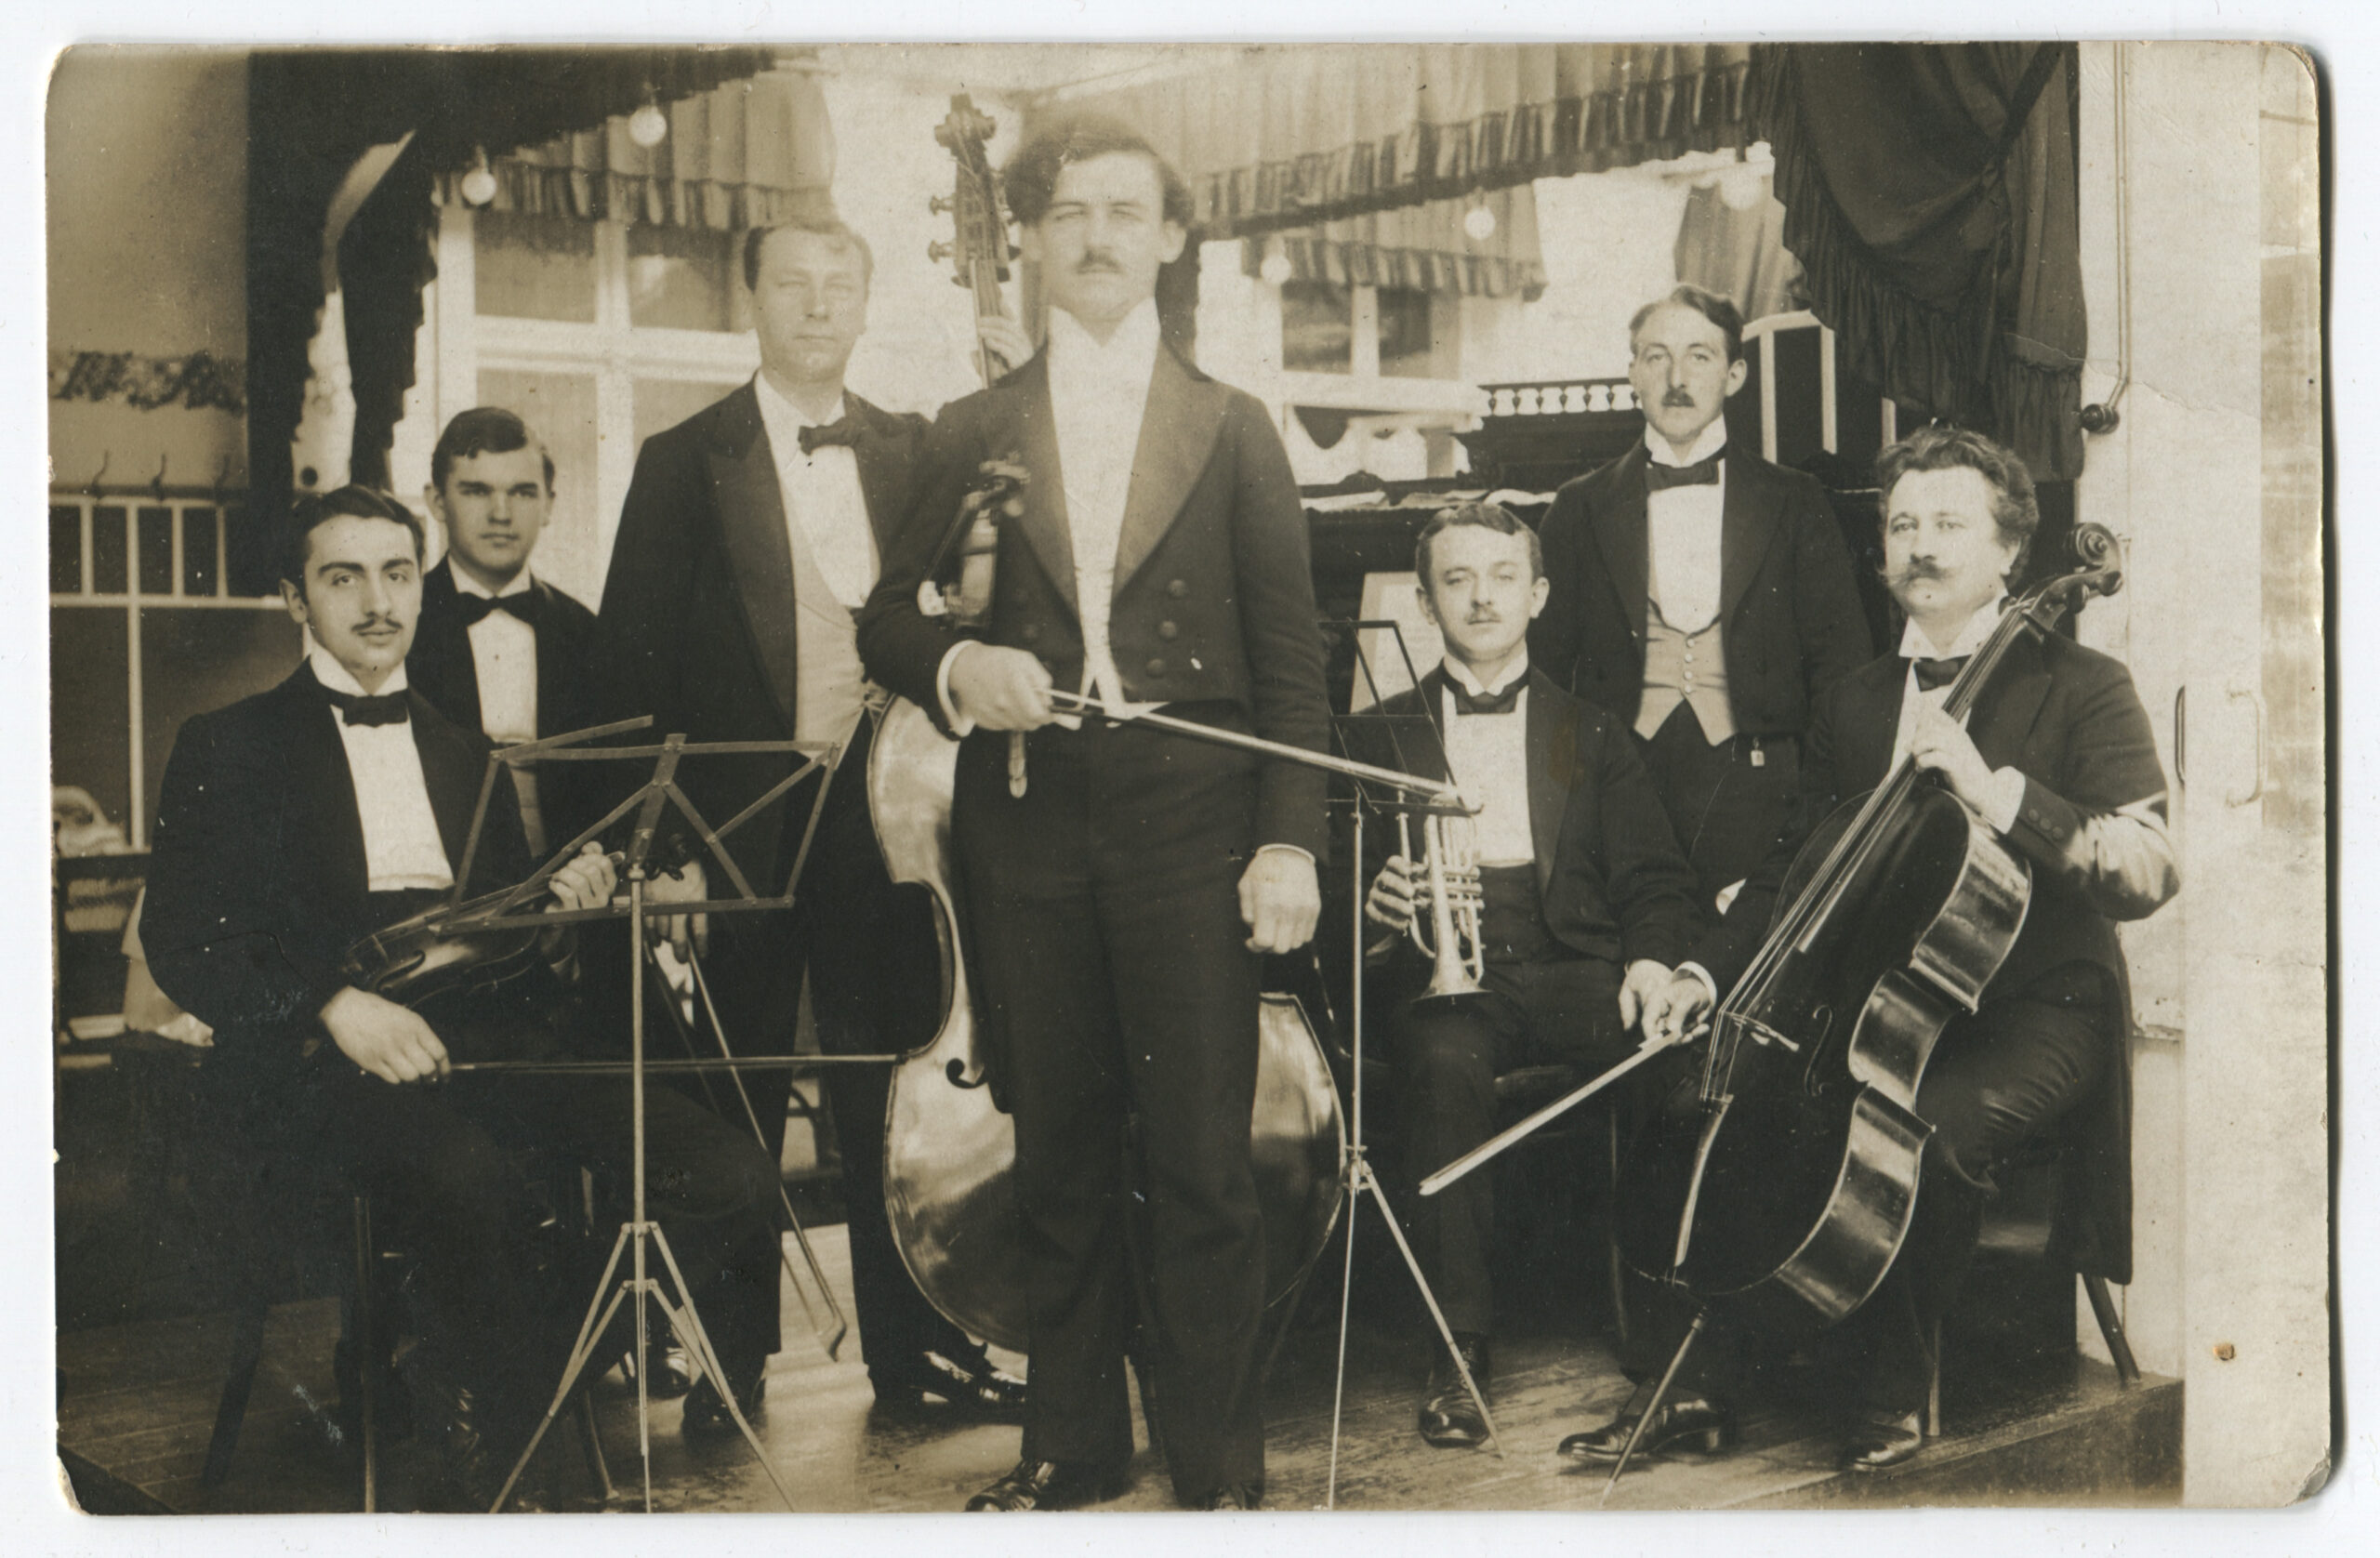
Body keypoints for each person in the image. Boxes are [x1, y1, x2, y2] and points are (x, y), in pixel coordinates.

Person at [859, 113, 1331, 1512]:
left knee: (1201, 1163)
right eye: (1068, 213)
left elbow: (1292, 665)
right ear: (1031, 239)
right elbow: (885, 620)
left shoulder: (1235, 427)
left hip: (1193, 828)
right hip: (1028, 823)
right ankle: (1070, 1447)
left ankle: (1219, 1469)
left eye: (1127, 211)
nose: (1098, 237)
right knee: (1056, 1150)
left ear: (1171, 237)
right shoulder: (971, 428)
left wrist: (1288, 839)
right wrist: (962, 669)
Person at [140, 486, 783, 1508]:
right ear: (295, 599)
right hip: (318, 1070)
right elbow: (185, 940)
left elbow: (506, 953)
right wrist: (333, 1007)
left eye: (397, 573)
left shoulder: (463, 752)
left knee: (728, 1172)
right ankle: (512, 1456)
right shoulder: (228, 742)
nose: (377, 601)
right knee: (474, 1177)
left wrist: (558, 922)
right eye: (343, 577)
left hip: (481, 1048)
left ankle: (475, 1372)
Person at [1565, 425, 2179, 1472]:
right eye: (1902, 524)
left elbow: (2148, 867)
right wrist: (1704, 970)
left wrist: (1996, 793)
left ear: (2009, 551)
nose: (1920, 545)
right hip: (1874, 997)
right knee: (1744, 1103)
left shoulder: (2084, 682)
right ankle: (1693, 1382)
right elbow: (1789, 868)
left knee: (1913, 1125)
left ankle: (1891, 1386)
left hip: (2035, 1005)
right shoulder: (1854, 697)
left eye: (1949, 523)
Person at [585, 214, 1025, 1432]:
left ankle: (917, 1356)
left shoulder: (920, 446)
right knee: (739, 1094)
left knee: (890, 1087)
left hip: (888, 814)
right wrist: (662, 848)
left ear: (867, 304)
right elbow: (630, 669)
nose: (819, 305)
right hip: (738, 824)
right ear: (752, 300)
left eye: (841, 284)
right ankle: (729, 1367)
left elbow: (984, 602)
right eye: (793, 283)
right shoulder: (684, 459)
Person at [1349, 503, 1702, 1451]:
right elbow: (1332, 890)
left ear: (1537, 595)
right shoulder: (1377, 733)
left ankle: (1666, 1350)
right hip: (1442, 972)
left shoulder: (1586, 730)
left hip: (1570, 961)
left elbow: (1654, 878)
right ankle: (1457, 1351)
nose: (1482, 598)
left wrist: (1648, 961)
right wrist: (1374, 906)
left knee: (1664, 1050)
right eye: (1457, 579)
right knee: (1442, 1063)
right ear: (1426, 602)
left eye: (1503, 576)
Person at [1531, 284, 1873, 918]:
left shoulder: (1795, 500)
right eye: (1656, 357)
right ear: (1633, 373)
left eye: (1700, 356)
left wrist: (1815, 797)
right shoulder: (1578, 506)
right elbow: (1544, 675)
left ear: (1734, 374)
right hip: (1620, 784)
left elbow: (1842, 667)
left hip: (1761, 786)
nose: (1677, 380)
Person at [407, 406, 598, 857]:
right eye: (476, 491)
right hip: (439, 865)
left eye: (522, 492)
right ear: (437, 502)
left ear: (549, 504)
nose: (501, 513)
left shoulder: (585, 629)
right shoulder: (401, 622)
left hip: (568, 868)